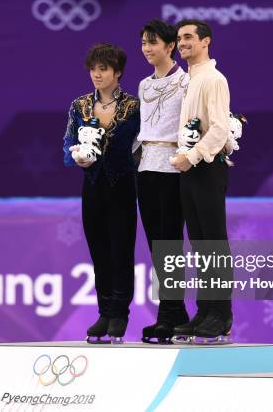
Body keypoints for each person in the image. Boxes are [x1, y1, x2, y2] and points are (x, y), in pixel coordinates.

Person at [63, 43, 140, 343]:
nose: (97, 74)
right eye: (93, 68)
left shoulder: (134, 106)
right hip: (92, 185)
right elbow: (68, 143)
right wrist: (77, 157)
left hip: (122, 184)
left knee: (121, 250)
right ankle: (104, 311)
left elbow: (143, 145)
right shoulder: (79, 105)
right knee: (99, 251)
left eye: (103, 68)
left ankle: (120, 312)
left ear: (118, 72)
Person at [169, 19, 234, 344]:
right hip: (189, 168)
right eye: (179, 38)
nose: (182, 43)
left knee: (213, 243)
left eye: (189, 37)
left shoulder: (213, 79)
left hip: (207, 167)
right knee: (198, 243)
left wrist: (192, 157)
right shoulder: (189, 80)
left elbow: (220, 129)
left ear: (206, 41)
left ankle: (221, 315)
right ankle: (205, 310)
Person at [136, 19, 190, 344]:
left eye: (152, 42)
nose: (146, 48)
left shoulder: (186, 83)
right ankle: (173, 311)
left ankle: (169, 313)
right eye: (143, 42)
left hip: (173, 169)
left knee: (170, 242)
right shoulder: (143, 85)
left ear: (170, 46)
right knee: (156, 245)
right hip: (145, 169)